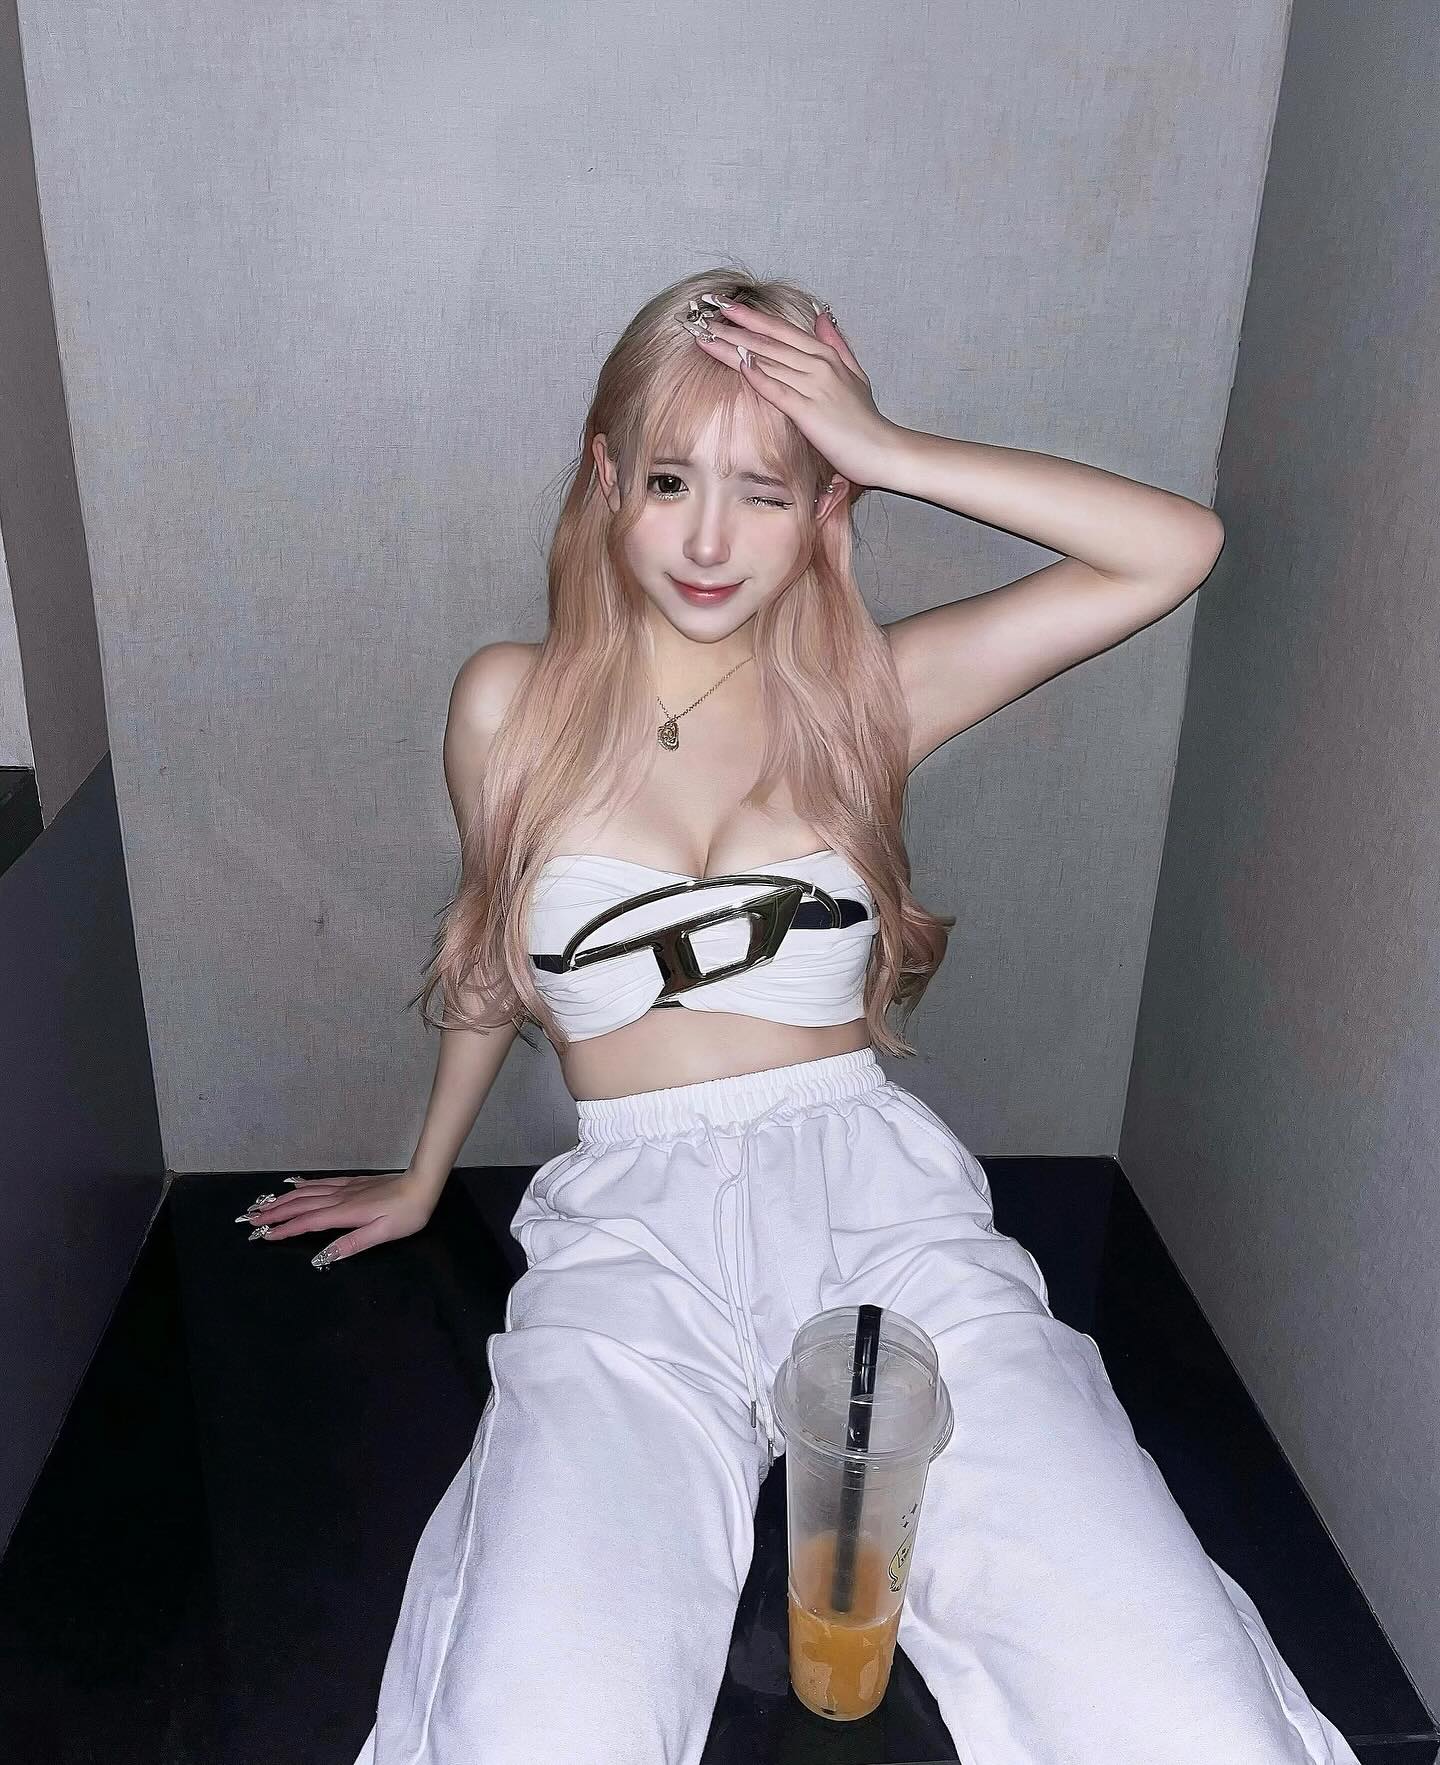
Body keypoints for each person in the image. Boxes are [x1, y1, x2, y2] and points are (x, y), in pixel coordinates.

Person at [240, 268, 1358, 1764]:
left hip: (879, 1209)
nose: (709, 540)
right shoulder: (509, 706)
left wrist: (886, 448)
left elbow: (1174, 549)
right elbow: (497, 959)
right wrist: (425, 1172)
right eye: (671, 481)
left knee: (1173, 1705)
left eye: (766, 491)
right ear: (604, 480)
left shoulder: (868, 699)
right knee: (537, 1720)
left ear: (824, 506)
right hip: (632, 1230)